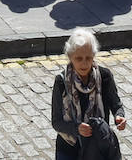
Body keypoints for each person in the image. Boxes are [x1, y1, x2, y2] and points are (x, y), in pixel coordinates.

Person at [50, 29, 126, 160]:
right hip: (69, 148)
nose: (84, 63)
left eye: (88, 58)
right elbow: (57, 122)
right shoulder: (61, 82)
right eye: (79, 58)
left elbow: (116, 104)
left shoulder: (105, 76)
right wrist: (77, 129)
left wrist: (119, 116)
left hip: (97, 146)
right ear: (70, 57)